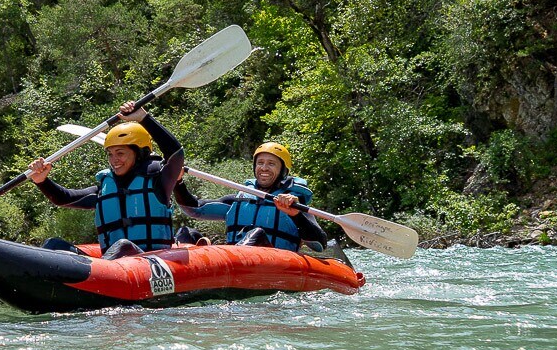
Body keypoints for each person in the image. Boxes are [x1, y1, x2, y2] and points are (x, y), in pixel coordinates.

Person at [27, 102, 185, 257]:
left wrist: (143, 118)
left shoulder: (159, 181)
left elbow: (175, 152)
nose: (114, 160)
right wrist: (42, 181)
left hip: (149, 260)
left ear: (139, 154)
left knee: (124, 246)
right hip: (112, 265)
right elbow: (64, 198)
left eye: (120, 153)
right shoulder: (104, 188)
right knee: (54, 245)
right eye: (110, 154)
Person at [176, 141, 336, 252]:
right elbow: (193, 209)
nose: (264, 168)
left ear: (283, 171)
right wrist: (178, 182)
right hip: (234, 260)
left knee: (256, 234)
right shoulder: (238, 199)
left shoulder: (295, 205)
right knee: (186, 232)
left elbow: (319, 245)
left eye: (271, 164)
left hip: (274, 265)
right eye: (260, 163)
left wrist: (296, 215)